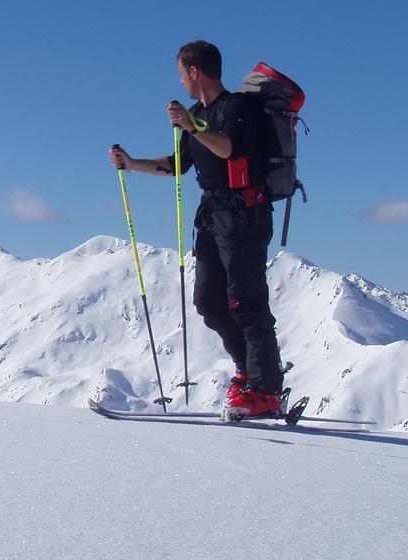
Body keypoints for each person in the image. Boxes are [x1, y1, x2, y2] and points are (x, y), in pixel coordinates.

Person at [108, 40, 284, 420]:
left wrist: (193, 125)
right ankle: (247, 373)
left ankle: (267, 390)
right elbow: (178, 164)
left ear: (194, 71)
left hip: (245, 215)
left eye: (181, 74)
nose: (181, 83)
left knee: (246, 302)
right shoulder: (195, 115)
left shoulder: (237, 108)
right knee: (208, 301)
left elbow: (230, 150)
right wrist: (132, 163)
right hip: (212, 216)